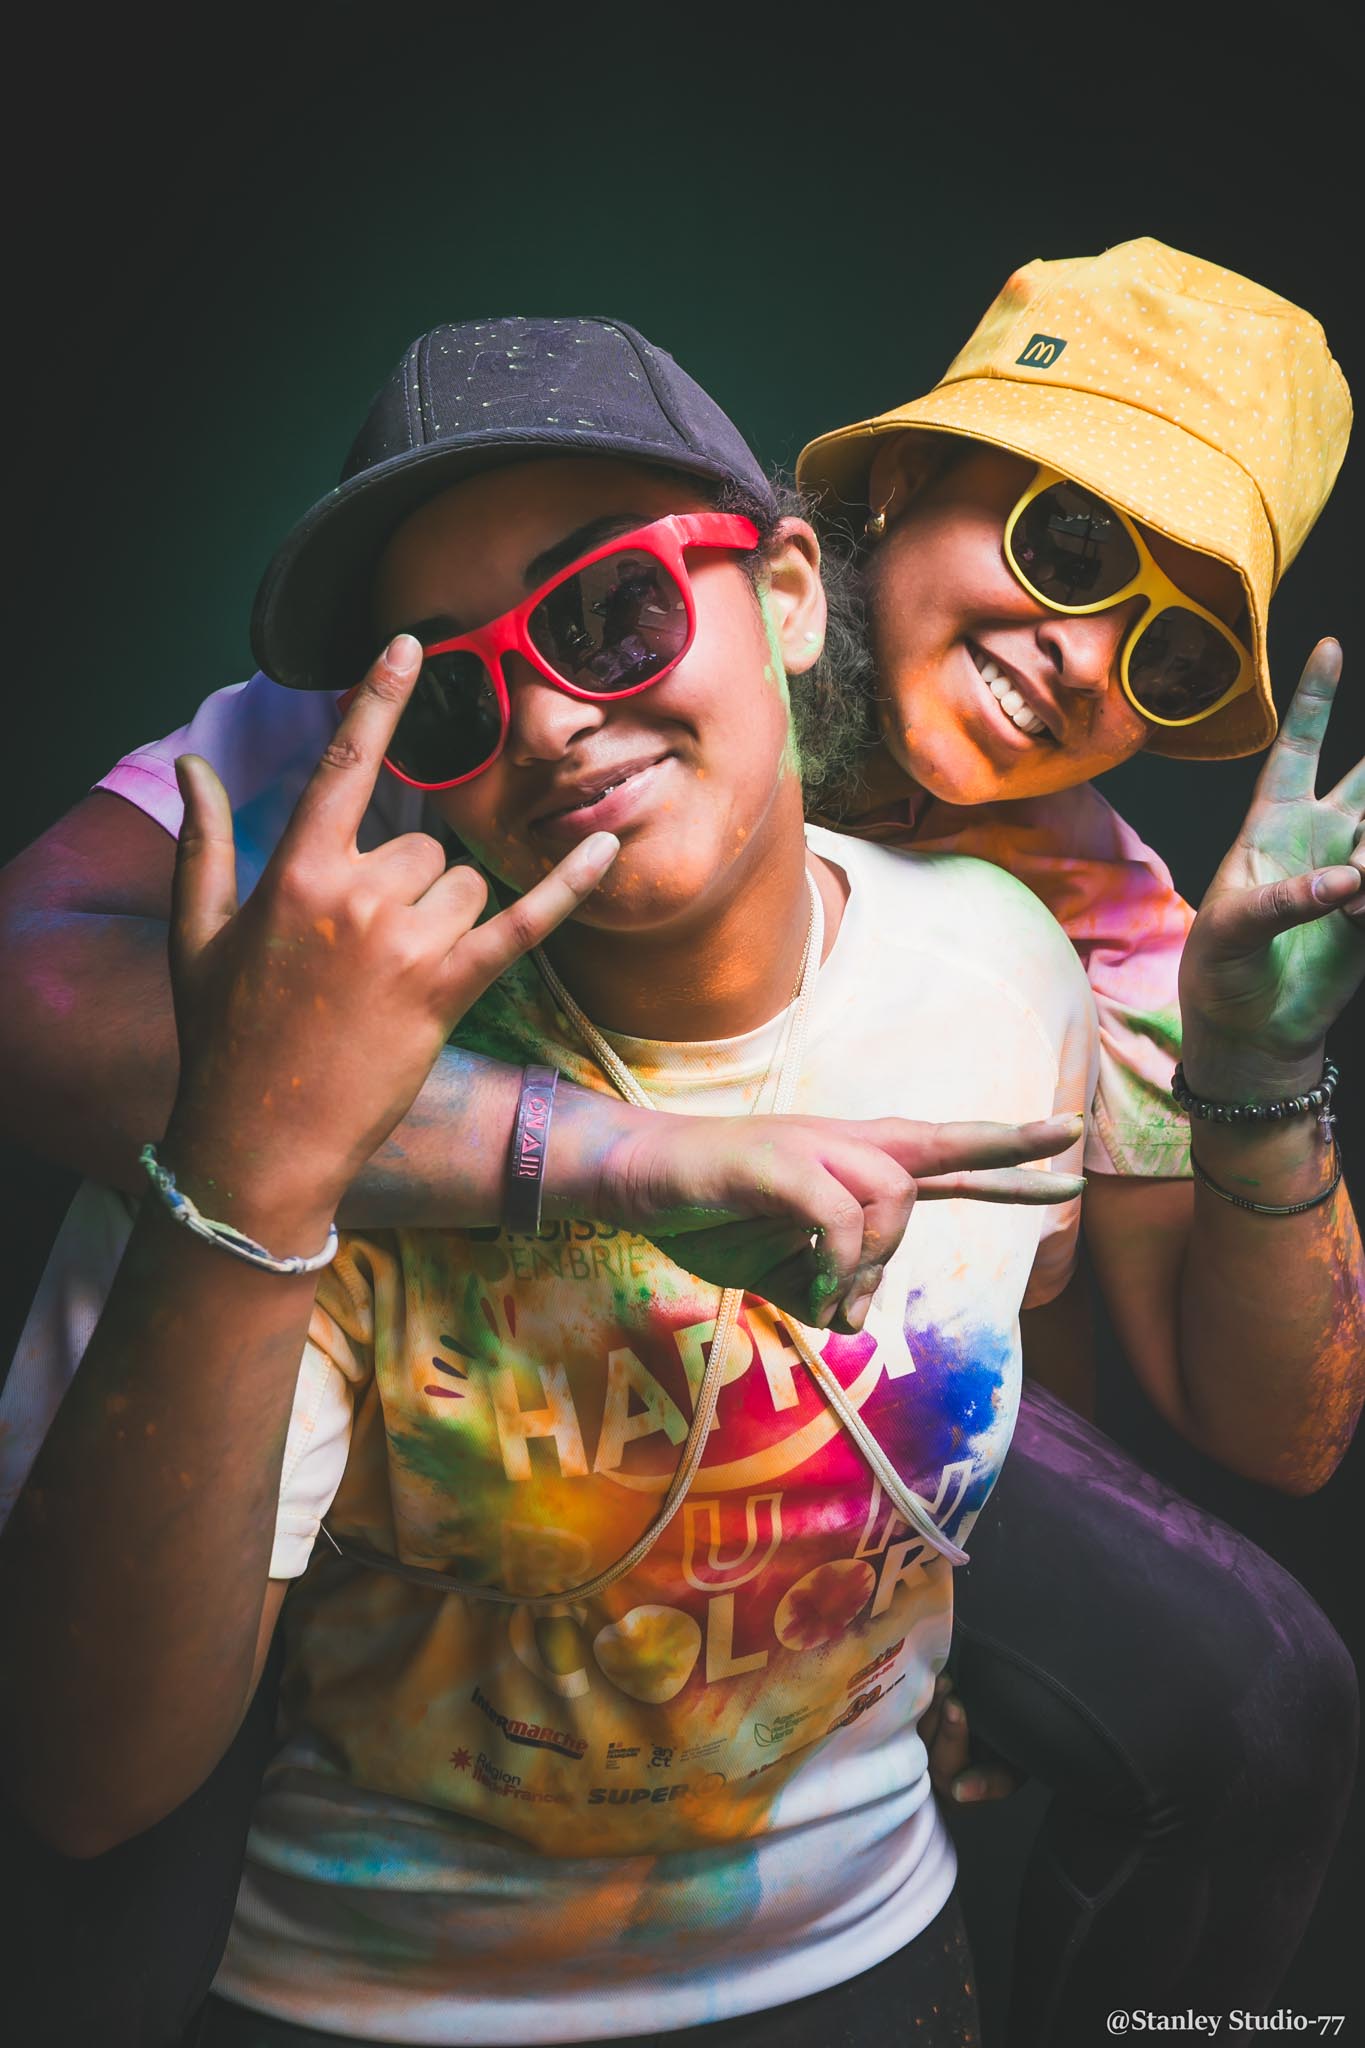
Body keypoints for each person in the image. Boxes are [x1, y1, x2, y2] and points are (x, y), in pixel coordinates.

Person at [0, 248, 1360, 2041]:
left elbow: (1207, 1398)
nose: (1080, 655)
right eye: (1071, 546)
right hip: (375, 1414)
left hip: (802, 1449)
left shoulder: (1080, 918)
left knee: (1260, 1703)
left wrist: (921, 1608)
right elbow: (36, 985)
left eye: (1167, 655)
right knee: (112, 1859)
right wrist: (568, 1153)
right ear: (870, 506)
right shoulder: (471, 670)